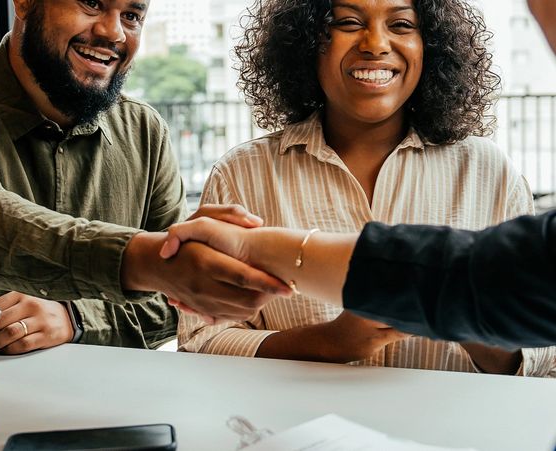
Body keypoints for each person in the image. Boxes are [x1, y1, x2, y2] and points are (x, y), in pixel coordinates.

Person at [173, 0, 555, 376]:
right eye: (348, 22)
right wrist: (328, 343)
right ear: (306, 41)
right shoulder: (242, 173)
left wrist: (464, 308)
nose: (375, 43)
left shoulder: (489, 172)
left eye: (402, 25)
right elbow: (202, 340)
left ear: (432, 46)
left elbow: (544, 361)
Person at [0, 0, 290, 355]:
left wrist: (79, 317)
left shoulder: (145, 132)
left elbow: (174, 307)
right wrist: (148, 263)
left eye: (131, 16)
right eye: (91, 3)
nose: (113, 32)